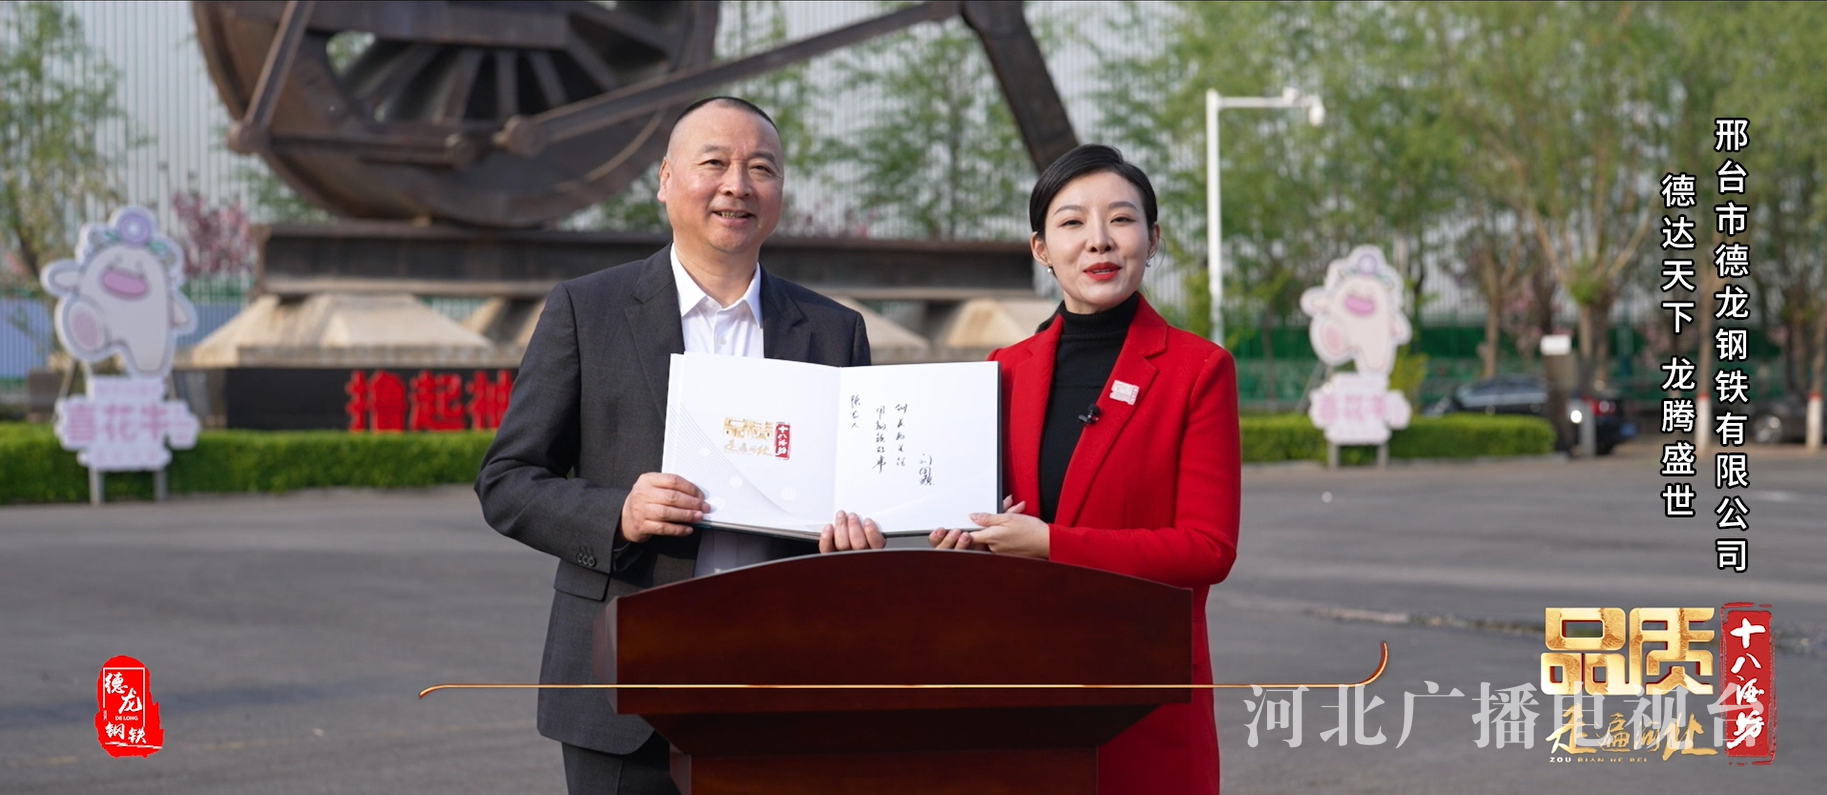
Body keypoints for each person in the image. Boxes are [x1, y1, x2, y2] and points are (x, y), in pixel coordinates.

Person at [476, 96, 881, 795]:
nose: (737, 186)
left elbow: (858, 493)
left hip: (778, 682)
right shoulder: (587, 309)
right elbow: (507, 480)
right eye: (714, 163)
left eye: (761, 168)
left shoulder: (831, 330)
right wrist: (618, 514)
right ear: (665, 181)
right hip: (624, 683)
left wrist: (857, 532)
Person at [930, 144, 1240, 794]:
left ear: (1153, 239)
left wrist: (1050, 543)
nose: (1099, 239)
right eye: (1072, 222)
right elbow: (984, 522)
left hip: (1143, 685)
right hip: (1022, 681)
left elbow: (1207, 548)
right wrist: (963, 536)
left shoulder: (1198, 370)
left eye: (1121, 219)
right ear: (1041, 248)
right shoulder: (1001, 370)